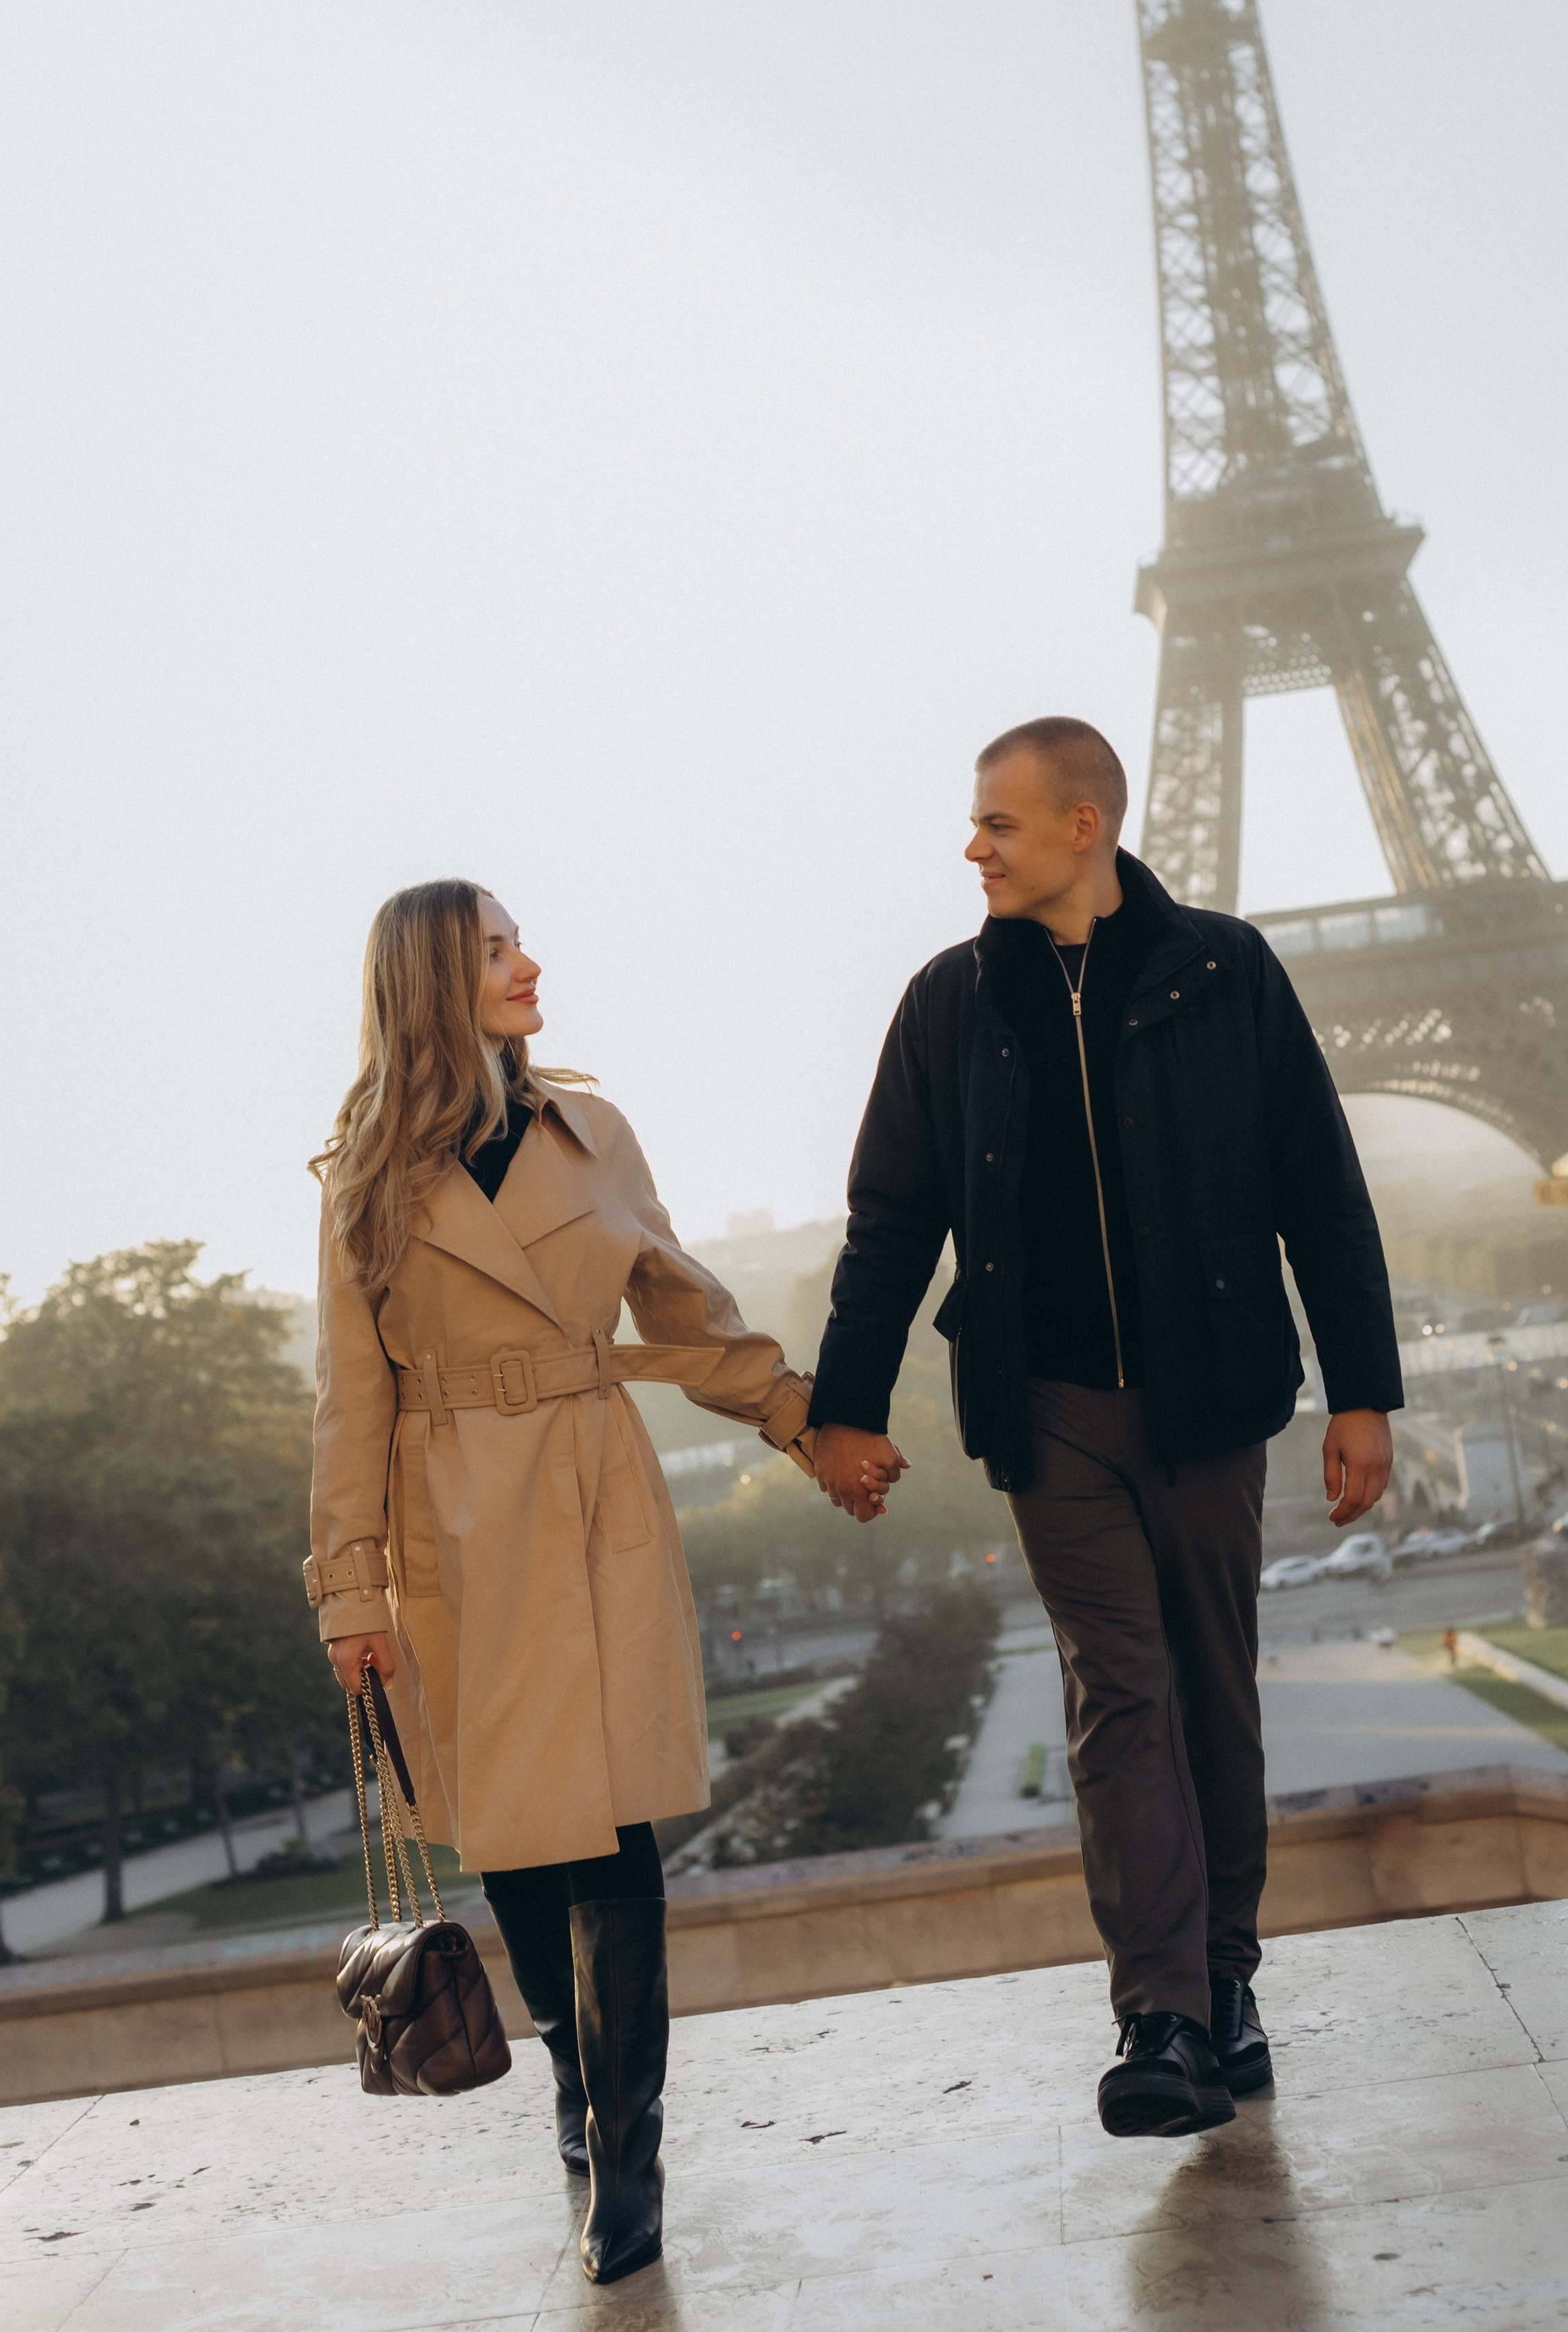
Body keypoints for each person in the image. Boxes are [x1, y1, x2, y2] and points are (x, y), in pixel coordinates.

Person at [806, 719, 1403, 2139]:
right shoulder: (945, 1003)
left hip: (1211, 1398)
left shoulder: (1224, 971)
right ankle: (1159, 2015)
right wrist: (841, 1404)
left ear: (1082, 825)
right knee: (1118, 1694)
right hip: (1047, 1407)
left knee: (1210, 1688)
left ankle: (1223, 1982)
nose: (971, 847)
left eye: (995, 825)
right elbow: (890, 1219)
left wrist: (1360, 1391)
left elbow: (1313, 1187)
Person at [304, 880, 862, 2284]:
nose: (529, 964)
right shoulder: (360, 1174)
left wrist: (799, 1419)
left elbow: (681, 1307)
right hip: (447, 1531)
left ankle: (628, 2154)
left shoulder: (591, 1132)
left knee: (608, 1835)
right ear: (436, 979)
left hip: (589, 1493)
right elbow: (346, 1403)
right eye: (498, 950)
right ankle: (571, 2076)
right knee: (512, 1841)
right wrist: (350, 1596)